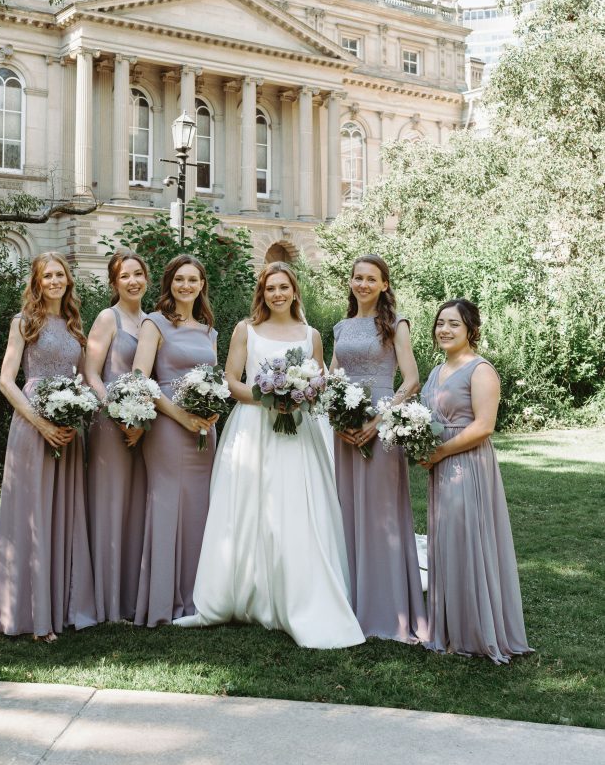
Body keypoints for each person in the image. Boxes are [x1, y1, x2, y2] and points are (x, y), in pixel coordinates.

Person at [175, 262, 365, 649]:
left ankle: (298, 594)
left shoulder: (311, 335)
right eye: (269, 288)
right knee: (248, 506)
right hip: (253, 429)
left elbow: (318, 380)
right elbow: (231, 380)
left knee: (296, 507)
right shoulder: (247, 329)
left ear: (295, 291)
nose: (277, 294)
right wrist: (268, 399)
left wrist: (297, 398)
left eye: (283, 287)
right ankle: (244, 592)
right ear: (262, 294)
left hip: (299, 430)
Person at [0, 253, 96, 640]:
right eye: (48, 276)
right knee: (31, 513)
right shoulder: (24, 322)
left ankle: (58, 606)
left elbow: (87, 376)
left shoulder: (77, 325)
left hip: (68, 426)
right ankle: (28, 613)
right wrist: (41, 423)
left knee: (62, 513)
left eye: (61, 275)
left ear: (68, 281)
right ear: (37, 282)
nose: (55, 281)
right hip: (32, 424)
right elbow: (6, 381)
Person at [420, 298, 532, 663]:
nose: (445, 330)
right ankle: (449, 628)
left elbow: (484, 426)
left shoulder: (481, 370)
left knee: (467, 540)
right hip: (441, 465)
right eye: (440, 323)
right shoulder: (437, 370)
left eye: (453, 323)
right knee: (445, 540)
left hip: (466, 463)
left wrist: (440, 451)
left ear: (471, 329)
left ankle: (475, 631)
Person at [331, 255, 428, 643]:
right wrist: (338, 421)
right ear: (351, 282)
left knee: (381, 512)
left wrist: (378, 421)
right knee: (347, 510)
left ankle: (387, 608)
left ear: (384, 284)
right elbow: (332, 376)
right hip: (345, 428)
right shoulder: (341, 325)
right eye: (358, 278)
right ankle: (351, 601)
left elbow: (412, 380)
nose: (363, 284)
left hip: (382, 426)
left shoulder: (394, 323)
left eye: (371, 279)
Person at [132, 255, 219, 627]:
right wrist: (180, 415)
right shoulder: (155, 323)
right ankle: (162, 602)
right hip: (168, 426)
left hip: (204, 429)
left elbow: (216, 377)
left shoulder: (209, 331)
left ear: (202, 285)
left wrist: (211, 410)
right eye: (180, 279)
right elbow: (140, 379)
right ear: (169, 283)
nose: (186, 285)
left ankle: (197, 599)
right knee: (167, 506)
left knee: (199, 508)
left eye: (193, 279)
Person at [84, 250, 149, 622]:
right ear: (114, 282)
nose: (132, 281)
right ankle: (105, 601)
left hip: (143, 427)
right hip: (109, 424)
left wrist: (139, 419)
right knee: (109, 504)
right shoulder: (108, 318)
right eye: (124, 276)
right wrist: (117, 412)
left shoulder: (151, 321)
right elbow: (91, 372)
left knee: (136, 507)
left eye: (138, 274)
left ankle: (130, 598)